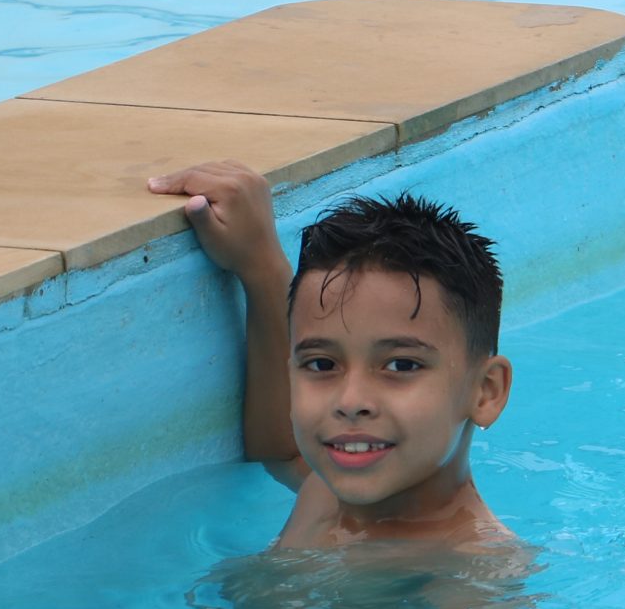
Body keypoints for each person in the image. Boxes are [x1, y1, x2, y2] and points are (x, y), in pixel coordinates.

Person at [147, 162, 518, 549]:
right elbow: (282, 451)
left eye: (401, 365)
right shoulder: (327, 490)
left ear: (486, 391)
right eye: (322, 364)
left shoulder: (472, 575)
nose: (351, 402)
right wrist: (260, 265)